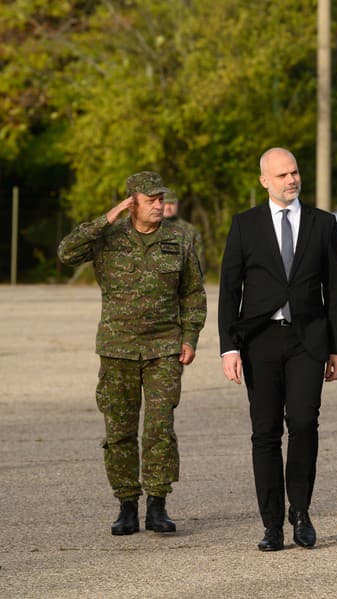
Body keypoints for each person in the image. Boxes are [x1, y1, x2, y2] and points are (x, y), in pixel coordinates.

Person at [57, 171, 207, 536]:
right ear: (132, 203)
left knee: (159, 429)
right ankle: (126, 505)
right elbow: (66, 253)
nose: (159, 204)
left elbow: (192, 293)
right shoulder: (107, 237)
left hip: (163, 349)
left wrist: (190, 337)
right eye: (150, 199)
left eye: (161, 198)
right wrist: (106, 218)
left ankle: (158, 504)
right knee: (119, 431)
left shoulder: (179, 238)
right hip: (117, 349)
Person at [218, 147, 337, 552]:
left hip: (308, 340)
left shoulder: (322, 224)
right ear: (264, 181)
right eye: (282, 175)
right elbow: (229, 290)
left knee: (305, 424)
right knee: (266, 433)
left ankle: (301, 513)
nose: (291, 180)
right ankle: (272, 524)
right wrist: (229, 348)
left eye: (294, 173)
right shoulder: (244, 226)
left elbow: (335, 288)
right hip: (260, 341)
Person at [162, 193, 205, 275]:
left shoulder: (190, 230)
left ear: (177, 205)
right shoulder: (151, 227)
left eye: (171, 204)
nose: (168, 207)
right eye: (165, 203)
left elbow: (199, 258)